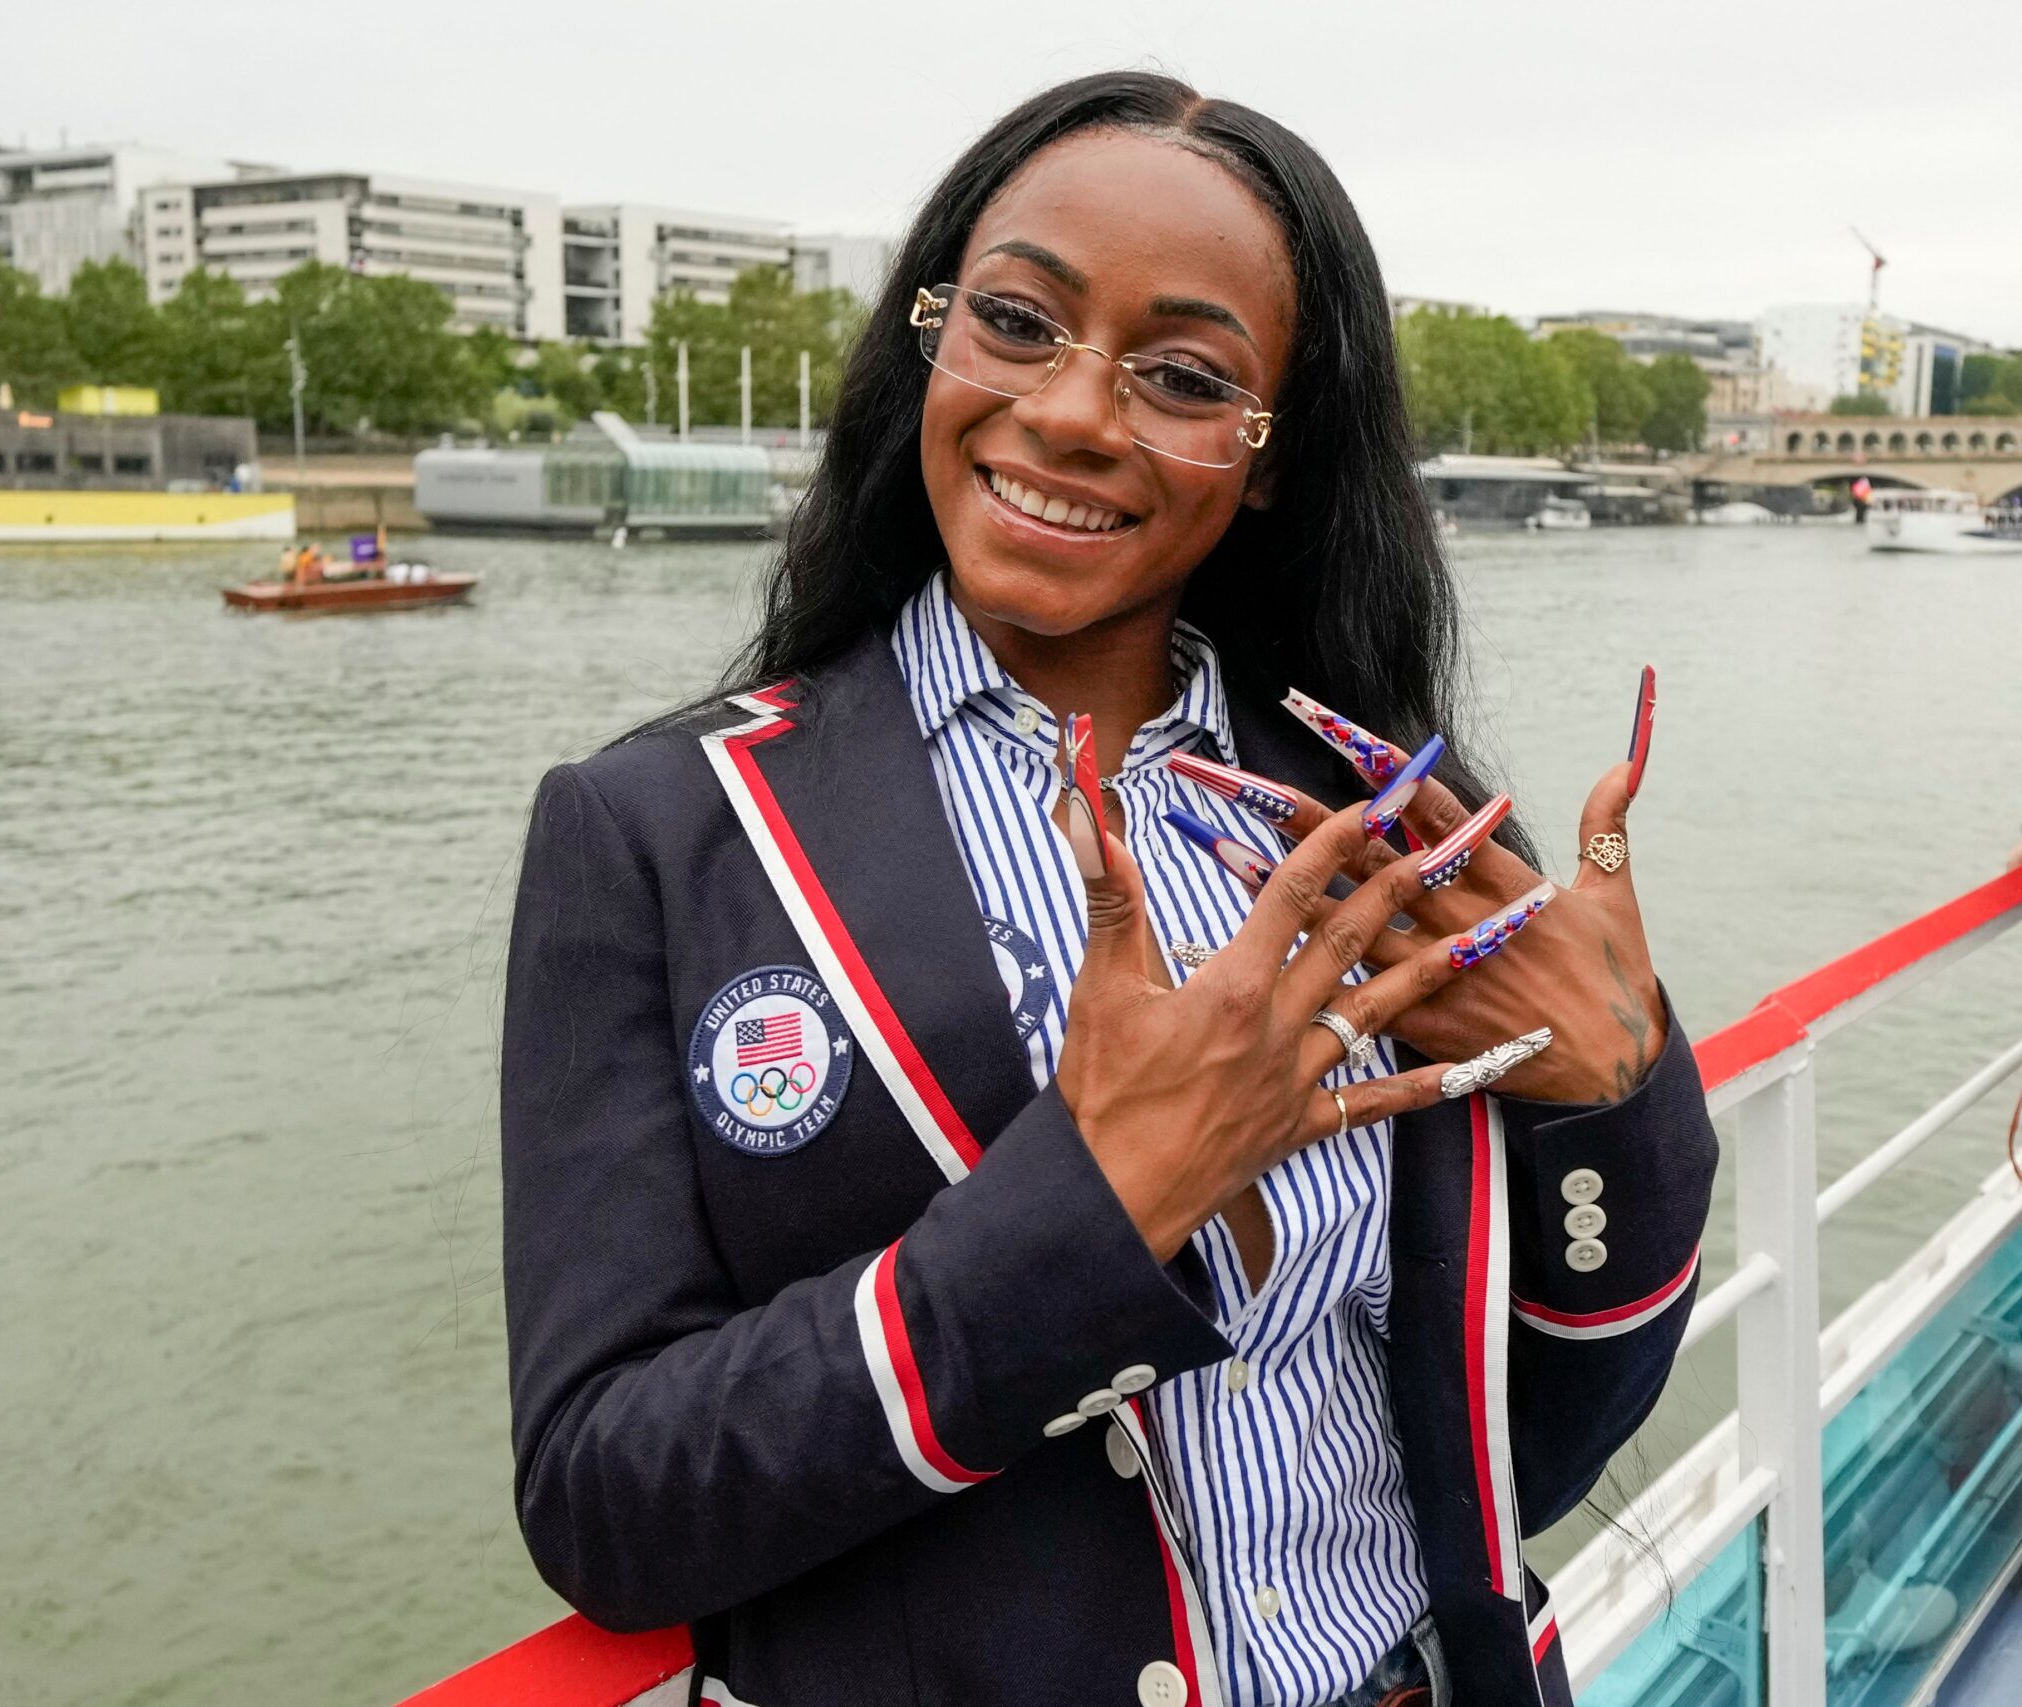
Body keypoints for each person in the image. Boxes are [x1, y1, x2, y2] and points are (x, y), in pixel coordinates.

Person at [501, 72, 1715, 1707]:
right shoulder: (659, 830)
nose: (1074, 412)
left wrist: (1615, 1104)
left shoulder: (1379, 818)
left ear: (1272, 459)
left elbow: (1523, 1447)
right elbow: (604, 1499)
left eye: (1187, 376)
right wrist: (1096, 1208)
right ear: (929, 341)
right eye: (1015, 319)